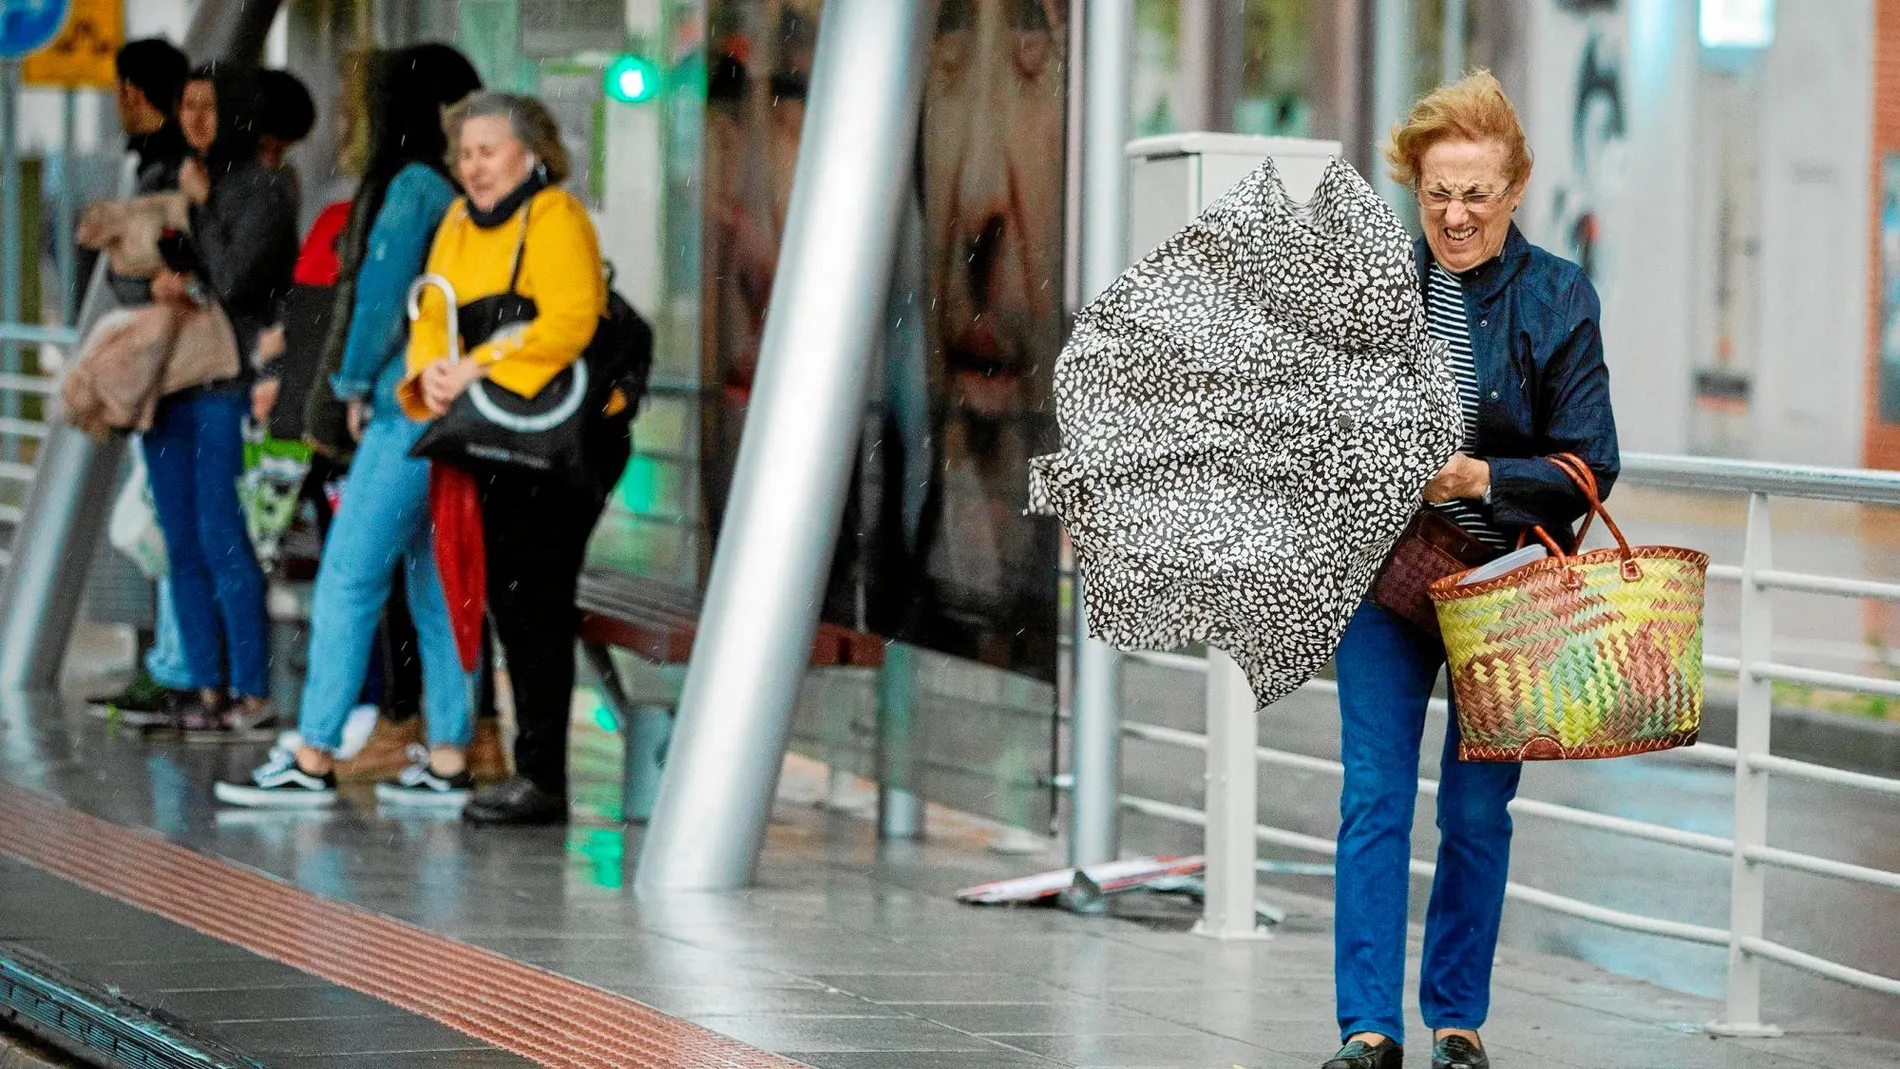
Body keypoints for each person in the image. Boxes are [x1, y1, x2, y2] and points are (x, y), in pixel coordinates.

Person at [1322, 71, 1619, 1069]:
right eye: (1436, 192)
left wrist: (1482, 474)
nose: (1454, 215)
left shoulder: (1557, 295)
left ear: (1515, 187)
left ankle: (1455, 1019)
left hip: (1509, 593)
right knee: (1372, 795)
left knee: (1477, 811)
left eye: (1475, 194)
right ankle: (1367, 1028)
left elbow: (1590, 461)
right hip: (1388, 580)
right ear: (1413, 186)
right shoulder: (1373, 290)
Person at [217, 44, 486, 808]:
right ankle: (448, 753)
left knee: (348, 573)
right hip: (450, 407)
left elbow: (377, 298)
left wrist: (349, 384)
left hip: (405, 404)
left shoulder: (408, 188)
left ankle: (314, 750)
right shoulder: (452, 189)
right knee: (435, 583)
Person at [399, 92, 626, 825]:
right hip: (495, 435)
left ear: (531, 153)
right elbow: (431, 312)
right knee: (508, 596)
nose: (474, 167)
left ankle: (542, 778)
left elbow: (570, 319)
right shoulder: (459, 223)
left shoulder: (555, 218)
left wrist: (480, 364)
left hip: (558, 443)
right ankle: (532, 770)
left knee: (534, 599)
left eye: (488, 151)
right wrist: (431, 370)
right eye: (464, 154)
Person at [142, 64, 298, 737]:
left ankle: (251, 689)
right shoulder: (176, 180)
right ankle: (204, 686)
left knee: (222, 536)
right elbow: (155, 261)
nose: (196, 119)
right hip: (172, 381)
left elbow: (235, 280)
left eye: (209, 106)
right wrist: (166, 269)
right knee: (181, 540)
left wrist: (199, 210)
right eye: (187, 106)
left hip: (228, 383)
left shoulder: (260, 188)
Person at [87, 37, 197, 723]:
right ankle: (176, 663)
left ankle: (182, 666)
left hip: (174, 368)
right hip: (165, 366)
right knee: (165, 522)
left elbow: (163, 265)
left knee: (170, 522)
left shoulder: (170, 170)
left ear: (134, 91)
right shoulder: (167, 165)